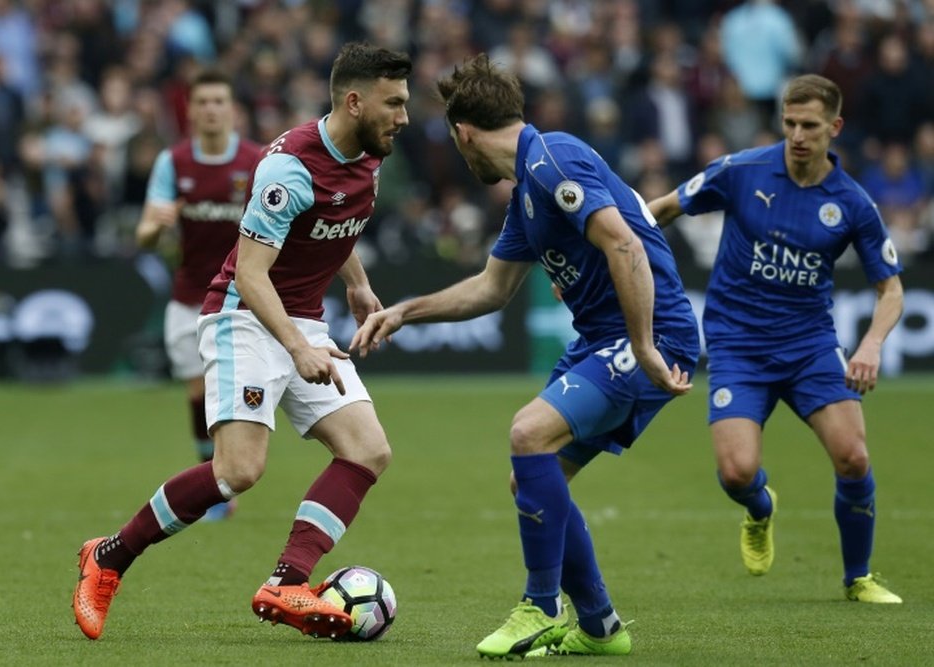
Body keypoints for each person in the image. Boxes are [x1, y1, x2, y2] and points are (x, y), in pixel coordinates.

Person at [351, 54, 699, 658]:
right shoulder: (526, 196)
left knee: (528, 432)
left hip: (649, 337)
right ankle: (598, 626)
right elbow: (491, 289)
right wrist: (406, 311)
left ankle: (539, 607)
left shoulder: (552, 158)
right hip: (602, 342)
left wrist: (643, 344)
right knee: (533, 481)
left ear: (463, 132)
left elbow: (622, 241)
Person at [73, 42, 412, 641]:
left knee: (368, 449)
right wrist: (299, 348)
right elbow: (252, 275)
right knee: (237, 470)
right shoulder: (288, 167)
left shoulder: (369, 151)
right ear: (354, 101)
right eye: (394, 103)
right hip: (243, 316)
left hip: (302, 319)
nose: (404, 117)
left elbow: (335, 222)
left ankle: (288, 581)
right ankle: (110, 556)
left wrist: (357, 285)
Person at [647, 74, 904, 603]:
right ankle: (760, 509)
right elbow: (663, 209)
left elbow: (892, 289)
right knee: (736, 472)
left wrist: (872, 344)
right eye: (789, 124)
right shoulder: (742, 171)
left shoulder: (852, 204)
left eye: (809, 125)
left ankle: (858, 577)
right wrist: (603, 251)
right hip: (738, 346)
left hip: (810, 346)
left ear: (835, 127)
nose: (797, 135)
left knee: (854, 458)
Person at [135, 68, 262, 521]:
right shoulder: (174, 163)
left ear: (232, 110)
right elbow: (144, 235)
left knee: (232, 394)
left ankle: (225, 479)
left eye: (218, 101)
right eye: (202, 102)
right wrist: (157, 224)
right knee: (198, 393)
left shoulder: (256, 161)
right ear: (190, 111)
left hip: (244, 298)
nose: (210, 109)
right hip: (190, 297)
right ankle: (213, 478)